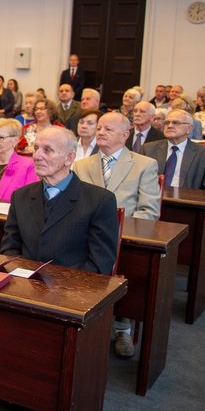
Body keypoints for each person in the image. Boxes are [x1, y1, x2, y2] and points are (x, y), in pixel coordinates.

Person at [74, 112, 162, 358]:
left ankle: (123, 326)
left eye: (108, 129)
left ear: (125, 135)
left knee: (132, 268)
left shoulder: (144, 165)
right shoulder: (81, 165)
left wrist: (115, 231)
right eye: (99, 128)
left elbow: (149, 211)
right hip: (84, 237)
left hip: (124, 238)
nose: (100, 132)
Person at [1, 127, 119, 274]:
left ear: (69, 158)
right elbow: (9, 249)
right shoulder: (20, 196)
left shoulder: (99, 201)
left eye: (47, 150)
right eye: (36, 148)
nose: (37, 156)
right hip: (24, 286)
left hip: (74, 290)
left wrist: (58, 288)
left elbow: (100, 264)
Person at [142, 109, 205, 190]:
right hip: (153, 200)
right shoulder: (148, 149)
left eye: (176, 123)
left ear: (189, 129)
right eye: (167, 123)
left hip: (187, 200)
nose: (170, 126)